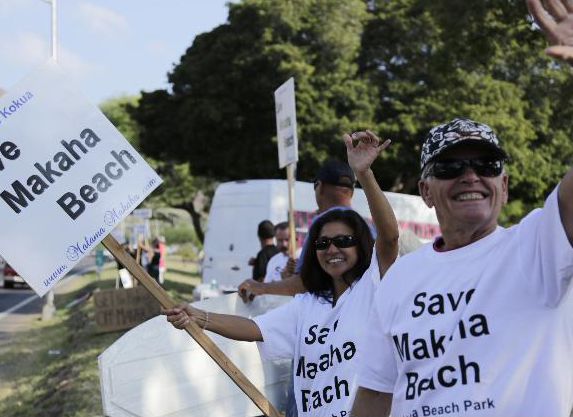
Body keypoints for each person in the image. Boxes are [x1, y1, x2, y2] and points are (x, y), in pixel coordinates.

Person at [352, 12, 573, 412]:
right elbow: (375, 393)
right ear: (426, 191)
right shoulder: (401, 278)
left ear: (503, 187)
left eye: (486, 167)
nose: (470, 176)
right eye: (450, 168)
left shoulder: (538, 248)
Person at [162, 131, 399, 416]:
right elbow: (255, 329)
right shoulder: (307, 304)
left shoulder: (372, 285)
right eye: (322, 243)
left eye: (344, 241)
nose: (332, 248)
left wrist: (364, 174)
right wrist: (200, 317)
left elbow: (389, 237)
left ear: (361, 246)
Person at [237, 159, 356, 300]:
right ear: (352, 191)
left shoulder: (321, 224)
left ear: (320, 187)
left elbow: (303, 283)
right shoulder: (365, 227)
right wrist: (289, 276)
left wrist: (262, 287)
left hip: (327, 315)